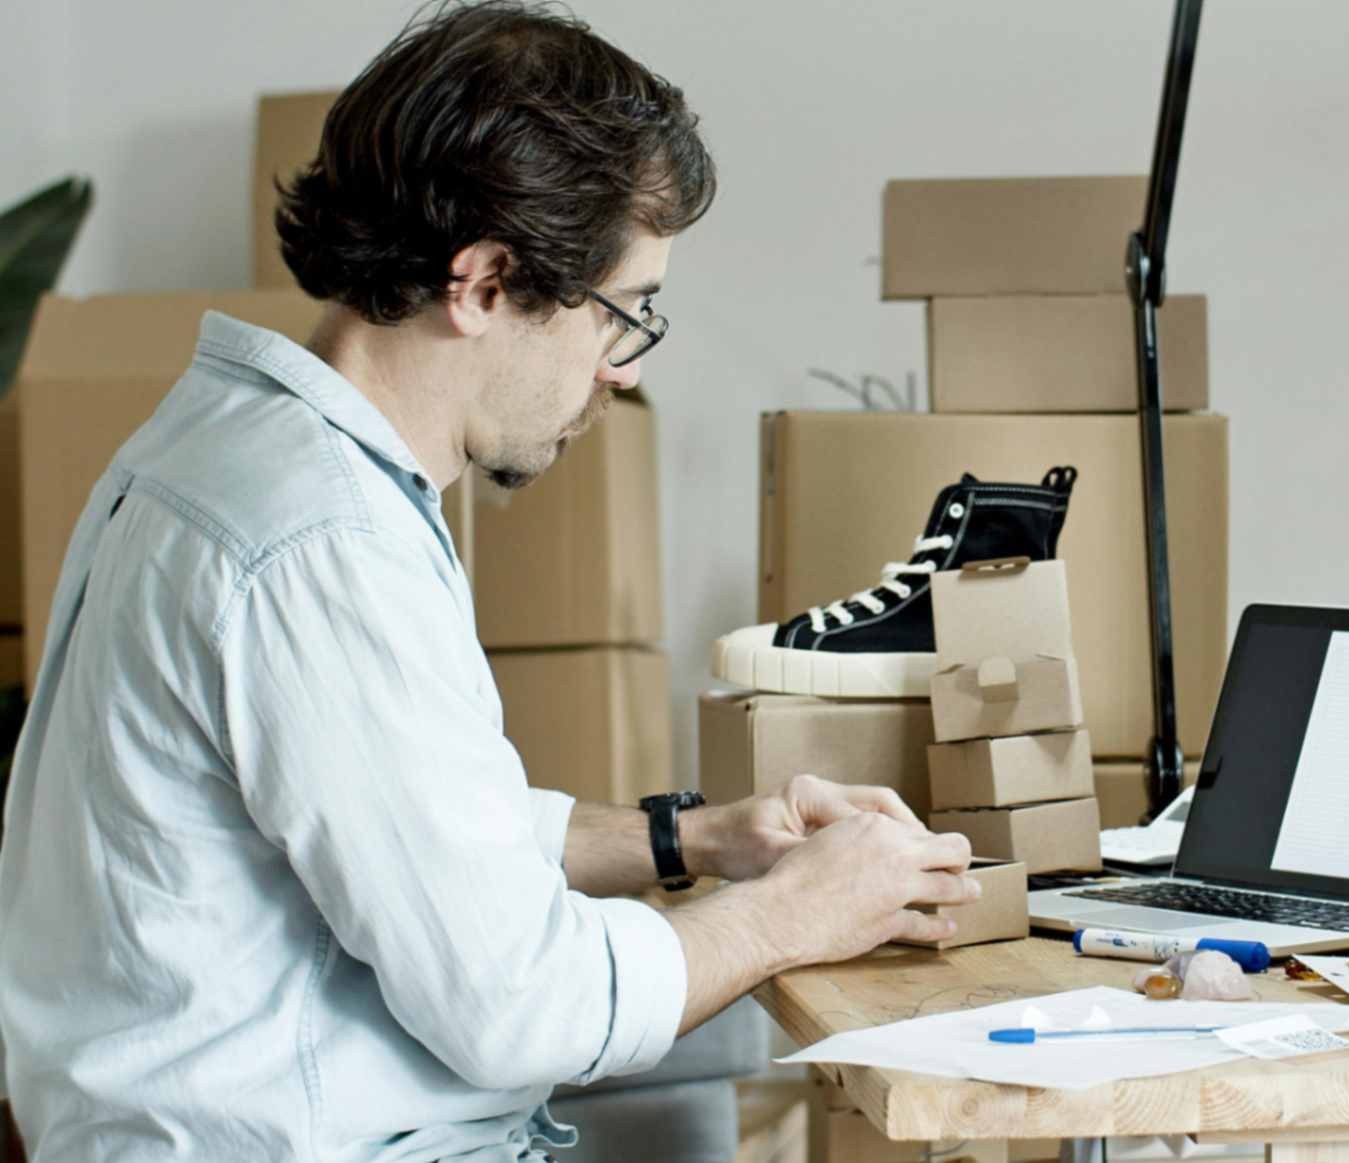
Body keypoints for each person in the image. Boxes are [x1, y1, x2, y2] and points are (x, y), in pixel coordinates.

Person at [0, 4, 978, 1159]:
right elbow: (517, 1006)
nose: (617, 371)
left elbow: (403, 823)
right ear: (482, 281)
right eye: (619, 313)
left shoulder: (236, 448)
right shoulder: (319, 540)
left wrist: (695, 840)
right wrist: (796, 910)